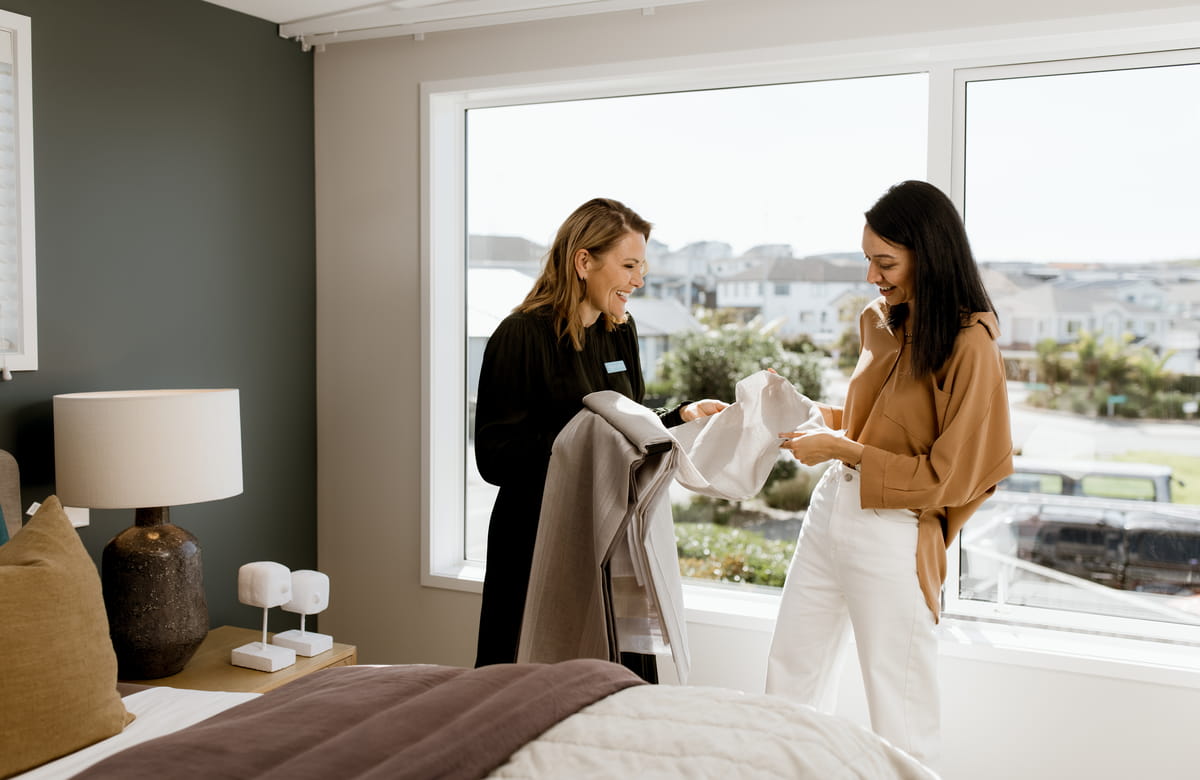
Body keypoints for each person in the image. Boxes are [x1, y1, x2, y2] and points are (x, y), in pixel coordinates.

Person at [769, 180, 1013, 766]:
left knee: (899, 706)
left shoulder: (970, 345)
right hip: (831, 511)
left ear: (928, 255)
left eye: (885, 262)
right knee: (790, 676)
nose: (873, 277)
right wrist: (804, 412)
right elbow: (870, 423)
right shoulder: (878, 322)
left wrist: (842, 450)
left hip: (894, 529)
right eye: (868, 261)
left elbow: (946, 477)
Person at [473, 197, 726, 678]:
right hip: (536, 536)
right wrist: (583, 438)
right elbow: (494, 457)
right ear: (583, 261)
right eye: (629, 265)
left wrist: (678, 416)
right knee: (524, 680)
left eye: (642, 267)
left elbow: (627, 422)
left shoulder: (619, 333)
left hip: (610, 533)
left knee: (617, 679)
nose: (639, 280)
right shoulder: (519, 335)